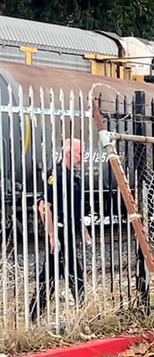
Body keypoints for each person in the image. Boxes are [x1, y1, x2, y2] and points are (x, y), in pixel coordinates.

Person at [30, 138, 91, 323]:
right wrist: (51, 235)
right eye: (80, 152)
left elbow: (76, 211)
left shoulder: (74, 178)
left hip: (70, 230)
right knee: (62, 272)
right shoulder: (55, 176)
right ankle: (82, 310)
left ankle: (35, 314)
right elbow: (43, 206)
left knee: (55, 272)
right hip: (59, 230)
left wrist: (85, 231)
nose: (82, 156)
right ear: (69, 154)